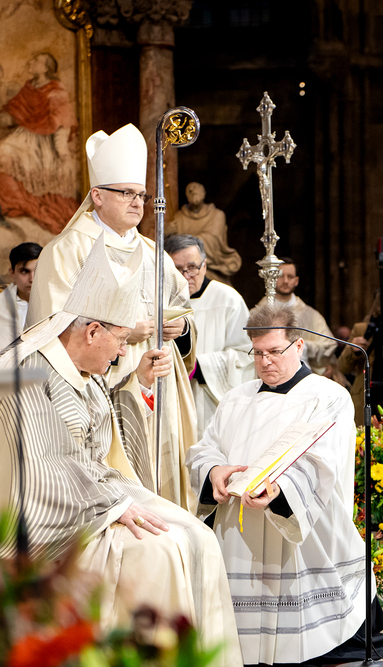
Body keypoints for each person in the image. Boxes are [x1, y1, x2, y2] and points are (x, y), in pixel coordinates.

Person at [0, 240, 241, 664]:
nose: (123, 352)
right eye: (123, 341)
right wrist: (112, 506)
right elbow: (41, 465)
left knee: (198, 537)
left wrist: (138, 385)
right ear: (93, 331)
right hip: (50, 516)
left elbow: (99, 434)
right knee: (159, 551)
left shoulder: (83, 367)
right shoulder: (26, 370)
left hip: (95, 492)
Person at [185, 303, 383, 665]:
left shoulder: (327, 396)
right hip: (238, 526)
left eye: (274, 351)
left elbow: (322, 461)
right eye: (257, 353)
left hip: (298, 525)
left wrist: (279, 491)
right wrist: (214, 470)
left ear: (298, 346)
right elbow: (206, 448)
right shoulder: (236, 398)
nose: (265, 361)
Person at [26, 123, 198, 508]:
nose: (138, 203)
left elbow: (182, 306)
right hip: (101, 387)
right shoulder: (66, 251)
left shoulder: (153, 252)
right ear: (98, 196)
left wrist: (182, 327)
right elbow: (50, 332)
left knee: (166, 492)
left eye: (141, 195)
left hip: (161, 380)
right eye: (126, 193)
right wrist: (123, 333)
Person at [166, 234, 254, 439]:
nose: (185, 276)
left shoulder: (228, 299)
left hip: (209, 404)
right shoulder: (161, 301)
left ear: (204, 266)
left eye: (192, 268)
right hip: (170, 401)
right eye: (177, 269)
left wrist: (199, 366)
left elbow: (247, 356)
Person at [0, 52, 78, 232]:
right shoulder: (29, 87)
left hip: (42, 143)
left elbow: (62, 124)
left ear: (45, 68)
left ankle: (20, 203)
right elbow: (16, 110)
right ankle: (11, 202)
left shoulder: (57, 92)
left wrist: (62, 152)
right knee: (3, 152)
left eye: (36, 61)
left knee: (6, 154)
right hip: (23, 135)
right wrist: (7, 117)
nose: (31, 62)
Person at [256, 257, 337, 373]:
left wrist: (305, 347)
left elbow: (329, 345)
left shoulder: (311, 315)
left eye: (290, 277)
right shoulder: (258, 313)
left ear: (296, 281)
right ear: (272, 278)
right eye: (280, 276)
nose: (285, 281)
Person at [166, 182, 242, 283]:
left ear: (204, 193)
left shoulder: (217, 215)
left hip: (211, 270)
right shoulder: (179, 217)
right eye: (190, 190)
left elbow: (211, 241)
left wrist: (180, 239)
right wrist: (166, 234)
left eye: (197, 188)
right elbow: (172, 248)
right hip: (183, 274)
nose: (193, 190)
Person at [0, 241, 41, 349]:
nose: (32, 279)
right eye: (24, 272)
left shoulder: (59, 304)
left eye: (37, 270)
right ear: (12, 273)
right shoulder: (1, 307)